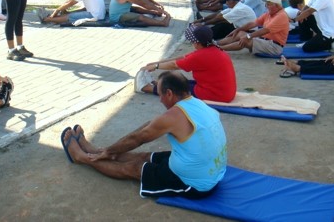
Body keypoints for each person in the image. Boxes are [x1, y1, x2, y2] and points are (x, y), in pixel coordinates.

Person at [60, 71, 227, 198]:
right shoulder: (196, 103)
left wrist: (110, 152)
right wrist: (109, 150)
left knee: (134, 169)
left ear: (169, 93)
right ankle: (95, 151)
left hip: (196, 184)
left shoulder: (173, 116)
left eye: (160, 94)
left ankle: (81, 158)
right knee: (146, 156)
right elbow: (147, 127)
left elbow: (137, 139)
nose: (160, 99)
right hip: (204, 167)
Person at [135, 25, 237, 103]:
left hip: (217, 95)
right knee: (179, 82)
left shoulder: (201, 55)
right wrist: (157, 63)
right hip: (224, 91)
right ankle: (157, 84)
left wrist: (156, 66)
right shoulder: (213, 48)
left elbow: (175, 65)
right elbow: (184, 57)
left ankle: (146, 88)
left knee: (175, 89)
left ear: (196, 43)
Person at [217, 0, 289, 56]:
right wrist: (238, 29)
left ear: (276, 6)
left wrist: (248, 36)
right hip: (265, 41)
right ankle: (216, 44)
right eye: (266, 4)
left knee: (246, 40)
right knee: (240, 33)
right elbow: (254, 23)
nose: (266, 6)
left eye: (269, 4)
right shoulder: (270, 13)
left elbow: (265, 30)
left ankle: (219, 49)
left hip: (274, 46)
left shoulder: (281, 16)